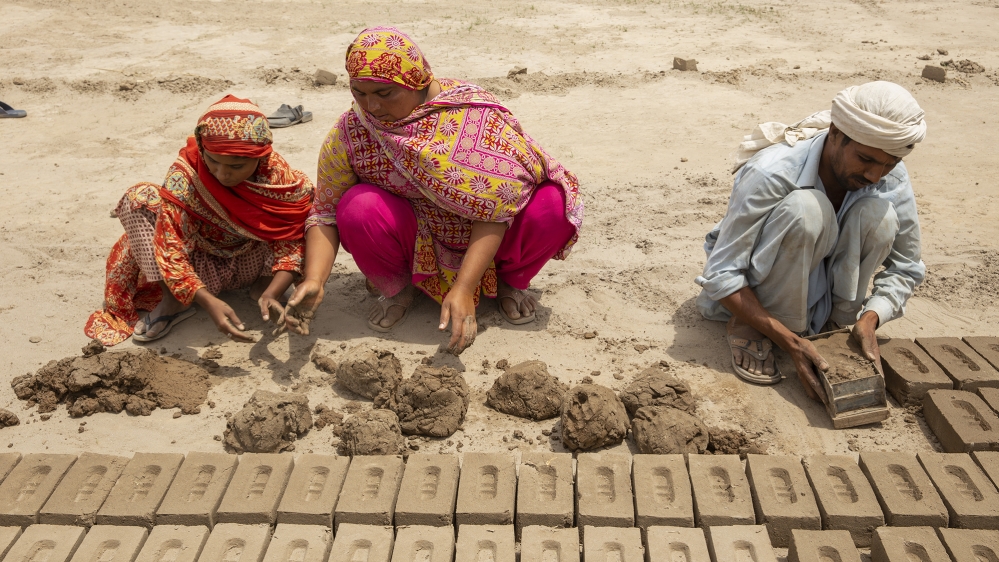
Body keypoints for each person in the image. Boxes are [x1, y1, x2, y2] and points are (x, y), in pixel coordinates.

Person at [286, 27, 583, 354]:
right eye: (359, 92)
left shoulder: (471, 112)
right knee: (357, 207)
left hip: (492, 239)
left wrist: (465, 286)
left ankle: (509, 282)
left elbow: (497, 208)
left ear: (418, 83)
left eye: (385, 94)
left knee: (552, 204)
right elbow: (325, 214)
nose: (371, 106)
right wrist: (315, 279)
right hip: (416, 239)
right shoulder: (352, 133)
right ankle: (398, 288)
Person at [695, 81, 927, 401]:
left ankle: (833, 326)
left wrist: (871, 319)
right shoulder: (773, 170)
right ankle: (756, 325)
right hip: (757, 293)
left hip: (825, 297)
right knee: (807, 210)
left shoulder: (889, 175)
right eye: (865, 159)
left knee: (881, 217)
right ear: (835, 133)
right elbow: (721, 273)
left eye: (890, 164)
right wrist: (790, 344)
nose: (876, 175)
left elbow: (907, 267)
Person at [85, 95, 314, 345]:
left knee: (307, 207)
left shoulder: (276, 175)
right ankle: (174, 301)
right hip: (199, 262)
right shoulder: (186, 173)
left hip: (253, 260)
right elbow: (170, 246)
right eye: (213, 161)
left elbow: (290, 238)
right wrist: (206, 299)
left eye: (237, 166)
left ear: (261, 155)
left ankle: (264, 290)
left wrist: (274, 290)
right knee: (139, 197)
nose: (222, 174)